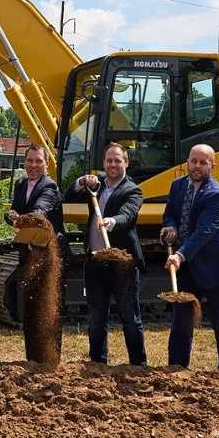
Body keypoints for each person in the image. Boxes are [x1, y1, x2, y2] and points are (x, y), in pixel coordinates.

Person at [161, 144, 219, 374]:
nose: (197, 166)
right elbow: (170, 213)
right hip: (188, 267)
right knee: (181, 321)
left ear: (212, 165)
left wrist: (180, 254)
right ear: (187, 162)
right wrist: (169, 227)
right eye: (193, 161)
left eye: (203, 162)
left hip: (218, 267)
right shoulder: (177, 186)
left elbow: (204, 232)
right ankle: (176, 369)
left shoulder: (216, 194)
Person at [67, 143, 146, 366]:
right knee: (96, 318)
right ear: (104, 163)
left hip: (122, 263)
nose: (112, 164)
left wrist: (112, 221)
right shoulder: (97, 184)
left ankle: (138, 364)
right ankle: (97, 362)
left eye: (117, 160)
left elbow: (128, 215)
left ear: (126, 163)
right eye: (109, 160)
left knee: (130, 319)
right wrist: (82, 182)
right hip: (95, 261)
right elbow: (68, 194)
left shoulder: (132, 190)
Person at [5, 144, 65, 364]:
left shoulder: (50, 187)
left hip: (48, 259)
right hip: (28, 256)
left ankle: (51, 361)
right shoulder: (21, 184)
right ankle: (32, 360)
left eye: (38, 161)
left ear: (47, 164)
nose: (33, 165)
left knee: (48, 312)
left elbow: (40, 210)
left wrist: (25, 218)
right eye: (29, 161)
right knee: (30, 312)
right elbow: (15, 211)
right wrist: (11, 216)